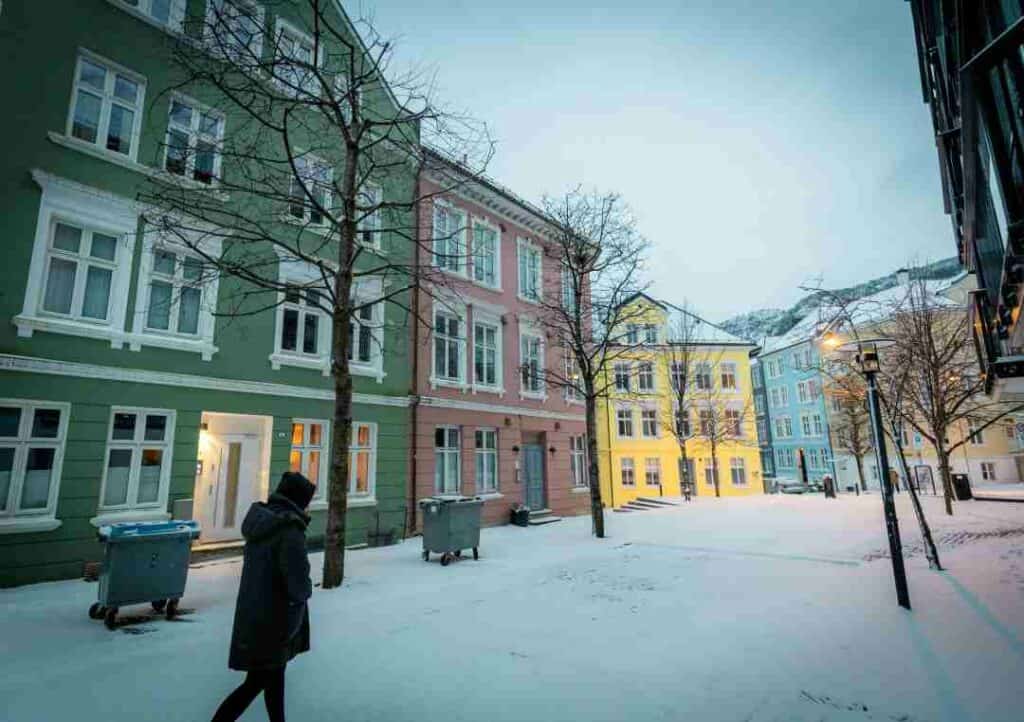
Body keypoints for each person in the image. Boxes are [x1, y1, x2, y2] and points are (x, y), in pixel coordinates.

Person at [212, 472, 315, 722]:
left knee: (272, 678)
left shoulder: (263, 522)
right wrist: (305, 591)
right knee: (258, 682)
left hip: (255, 611)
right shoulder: (289, 530)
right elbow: (297, 582)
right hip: (276, 619)